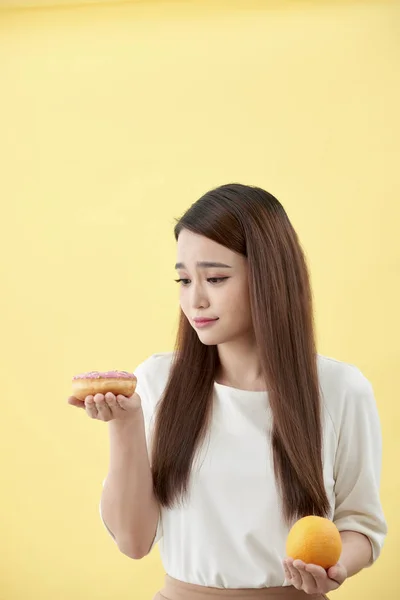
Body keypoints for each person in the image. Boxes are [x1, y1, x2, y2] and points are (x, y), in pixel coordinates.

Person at [68, 183, 387, 600]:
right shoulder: (157, 381)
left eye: (215, 278)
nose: (195, 299)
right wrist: (125, 424)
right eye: (183, 279)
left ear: (270, 277)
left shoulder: (341, 390)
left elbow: (359, 525)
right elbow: (133, 542)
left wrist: (337, 564)